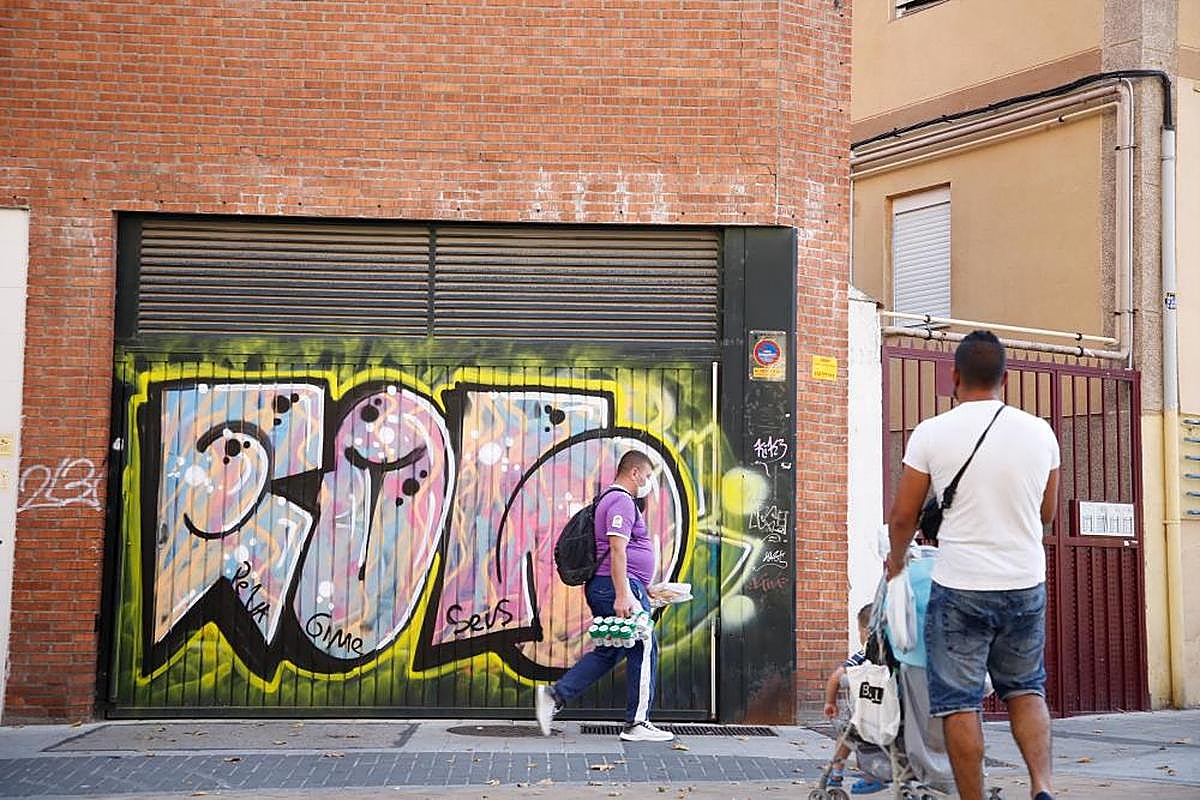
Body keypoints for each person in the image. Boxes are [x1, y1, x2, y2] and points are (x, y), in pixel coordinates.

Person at [885, 331, 1060, 800]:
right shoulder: (1040, 432)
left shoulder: (931, 433)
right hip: (1025, 581)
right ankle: (1041, 787)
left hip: (959, 585)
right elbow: (1047, 514)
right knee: (1026, 688)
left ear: (953, 376)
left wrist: (896, 562)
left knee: (960, 702)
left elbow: (903, 515)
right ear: (1005, 377)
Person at [535, 450, 675, 742]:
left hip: (619, 585)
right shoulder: (622, 500)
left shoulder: (610, 500)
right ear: (634, 473)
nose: (649, 482)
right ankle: (637, 723)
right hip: (618, 587)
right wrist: (624, 594)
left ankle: (554, 695)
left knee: (610, 650)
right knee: (644, 644)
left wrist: (644, 589)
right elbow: (617, 549)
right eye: (648, 476)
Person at [823, 603, 886, 795]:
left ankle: (837, 774)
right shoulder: (902, 657)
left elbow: (836, 677)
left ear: (867, 633)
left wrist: (830, 702)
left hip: (868, 718)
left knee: (847, 733)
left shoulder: (864, 655)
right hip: (898, 719)